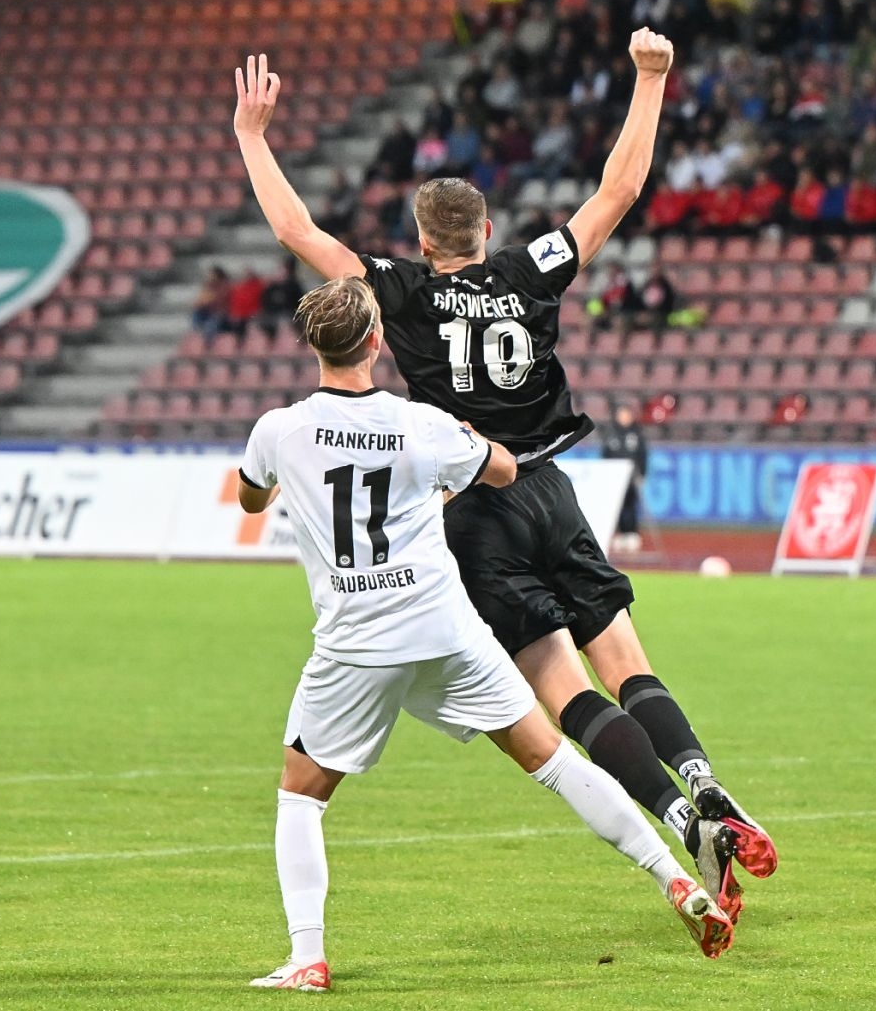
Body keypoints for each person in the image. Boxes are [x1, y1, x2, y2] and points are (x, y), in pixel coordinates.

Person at [230, 42, 775, 926]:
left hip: (475, 511)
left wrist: (254, 136)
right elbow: (619, 190)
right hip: (553, 488)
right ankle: (705, 782)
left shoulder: (401, 292)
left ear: (422, 241)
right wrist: (649, 79)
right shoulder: (529, 270)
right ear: (486, 232)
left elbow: (298, 232)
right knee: (628, 663)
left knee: (566, 694)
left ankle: (679, 820)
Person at [235, 278, 732, 989]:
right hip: (445, 628)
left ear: (313, 345)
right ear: (377, 341)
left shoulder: (277, 430)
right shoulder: (421, 424)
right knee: (553, 760)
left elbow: (252, 497)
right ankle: (673, 879)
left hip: (357, 642)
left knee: (301, 795)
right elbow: (501, 470)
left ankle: (308, 957)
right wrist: (461, 451)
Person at [601, 403, 651, 555]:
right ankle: (621, 533)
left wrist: (642, 473)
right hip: (614, 477)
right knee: (617, 507)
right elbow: (605, 455)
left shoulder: (636, 434)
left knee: (631, 505)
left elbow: (642, 455)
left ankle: (632, 532)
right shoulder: (611, 434)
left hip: (631, 477)